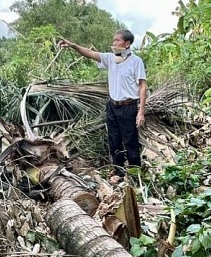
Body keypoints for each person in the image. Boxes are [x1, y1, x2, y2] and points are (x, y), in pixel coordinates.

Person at [58, 29, 147, 183]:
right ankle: (118, 172)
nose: (114, 43)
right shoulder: (111, 59)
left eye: (117, 40)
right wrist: (73, 45)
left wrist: (141, 112)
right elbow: (89, 53)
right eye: (113, 40)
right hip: (112, 106)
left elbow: (142, 87)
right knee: (114, 140)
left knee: (130, 140)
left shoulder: (136, 61)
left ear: (127, 44)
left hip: (128, 107)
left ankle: (135, 174)